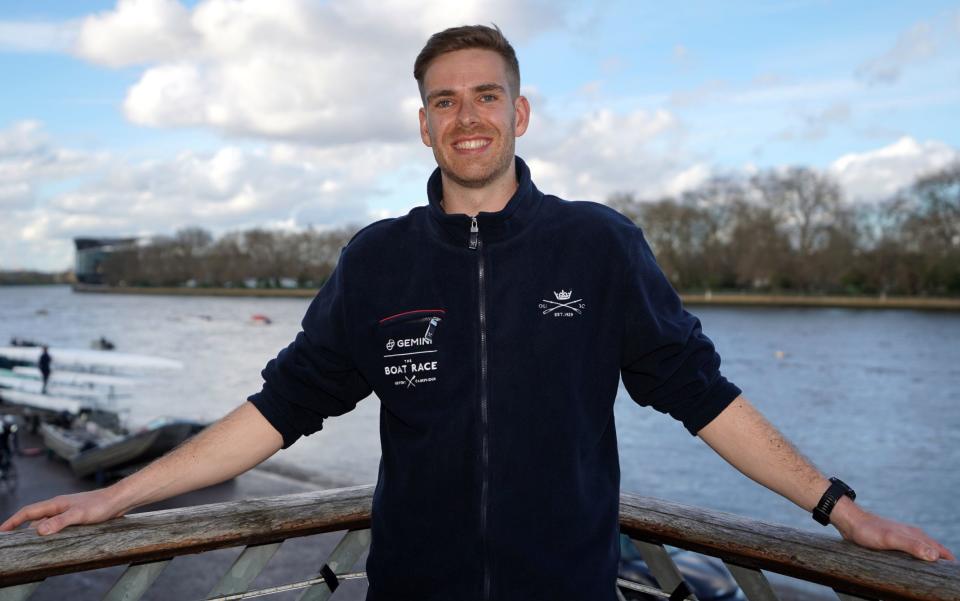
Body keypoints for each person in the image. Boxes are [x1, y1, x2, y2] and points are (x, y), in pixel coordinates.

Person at [1, 24, 953, 601]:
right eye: (444, 100)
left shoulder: (597, 244)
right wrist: (113, 495)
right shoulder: (378, 259)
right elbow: (277, 410)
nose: (467, 116)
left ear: (521, 113)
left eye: (485, 96)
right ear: (423, 122)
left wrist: (842, 511)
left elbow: (701, 395)